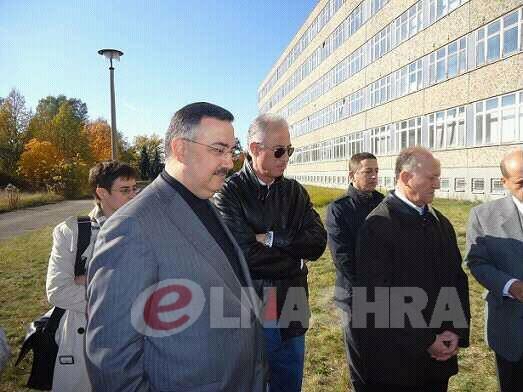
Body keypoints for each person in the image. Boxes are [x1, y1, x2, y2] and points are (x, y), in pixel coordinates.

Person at [86, 102, 265, 391]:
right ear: (180, 149)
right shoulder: (131, 227)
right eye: (218, 149)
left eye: (231, 150)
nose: (229, 162)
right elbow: (112, 361)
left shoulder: (205, 202)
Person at [214, 113, 327, 392]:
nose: (286, 157)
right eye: (279, 150)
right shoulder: (228, 193)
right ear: (254, 149)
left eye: (289, 150)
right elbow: (245, 256)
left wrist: (274, 239)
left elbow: (318, 242)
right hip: (252, 305)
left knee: (289, 381)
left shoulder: (294, 192)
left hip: (293, 303)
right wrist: (297, 260)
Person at [354, 146, 470, 392]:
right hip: (396, 363)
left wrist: (454, 330)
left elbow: (456, 281)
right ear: (406, 178)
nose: (437, 184)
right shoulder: (378, 225)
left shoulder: (441, 222)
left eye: (438, 177)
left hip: (438, 357)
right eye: (431, 177)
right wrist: (426, 341)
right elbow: (378, 296)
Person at [46, 161, 137, 392]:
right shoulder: (72, 232)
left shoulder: (143, 229)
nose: (133, 195)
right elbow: (57, 291)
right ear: (101, 192)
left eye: (135, 189)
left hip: (132, 338)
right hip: (82, 339)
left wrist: (89, 279)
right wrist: (116, 296)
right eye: (125, 190)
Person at [465, 149, 523, 392]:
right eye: (521, 183)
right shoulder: (483, 215)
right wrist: (511, 286)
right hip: (510, 329)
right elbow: (477, 262)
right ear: (505, 182)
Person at [325, 152, 383, 391]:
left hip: (387, 291)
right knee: (360, 356)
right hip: (355, 295)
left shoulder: (385, 202)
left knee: (383, 352)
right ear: (351, 175)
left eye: (376, 171)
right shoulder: (339, 209)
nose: (373, 176)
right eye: (367, 171)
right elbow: (342, 257)